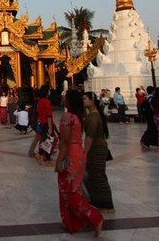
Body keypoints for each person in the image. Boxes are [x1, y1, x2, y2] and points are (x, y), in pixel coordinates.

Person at [54, 90, 104, 236]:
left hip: (70, 156)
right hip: (79, 154)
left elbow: (64, 142)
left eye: (65, 97)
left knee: (68, 191)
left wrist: (59, 161)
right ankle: (74, 222)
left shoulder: (67, 117)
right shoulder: (78, 117)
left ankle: (96, 218)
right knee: (74, 189)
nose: (63, 98)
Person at [82, 91, 114, 213]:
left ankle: (107, 205)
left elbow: (89, 137)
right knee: (94, 175)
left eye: (85, 99)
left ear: (92, 100)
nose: (83, 101)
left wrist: (84, 153)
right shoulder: (93, 115)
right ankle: (98, 202)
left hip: (96, 148)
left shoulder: (94, 117)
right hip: (97, 148)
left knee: (98, 176)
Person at [28, 86, 53, 159]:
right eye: (49, 90)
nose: (50, 92)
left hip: (40, 122)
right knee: (48, 139)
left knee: (38, 138)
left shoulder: (39, 101)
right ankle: (45, 155)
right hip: (46, 124)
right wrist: (50, 127)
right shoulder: (47, 101)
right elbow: (48, 115)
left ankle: (32, 152)